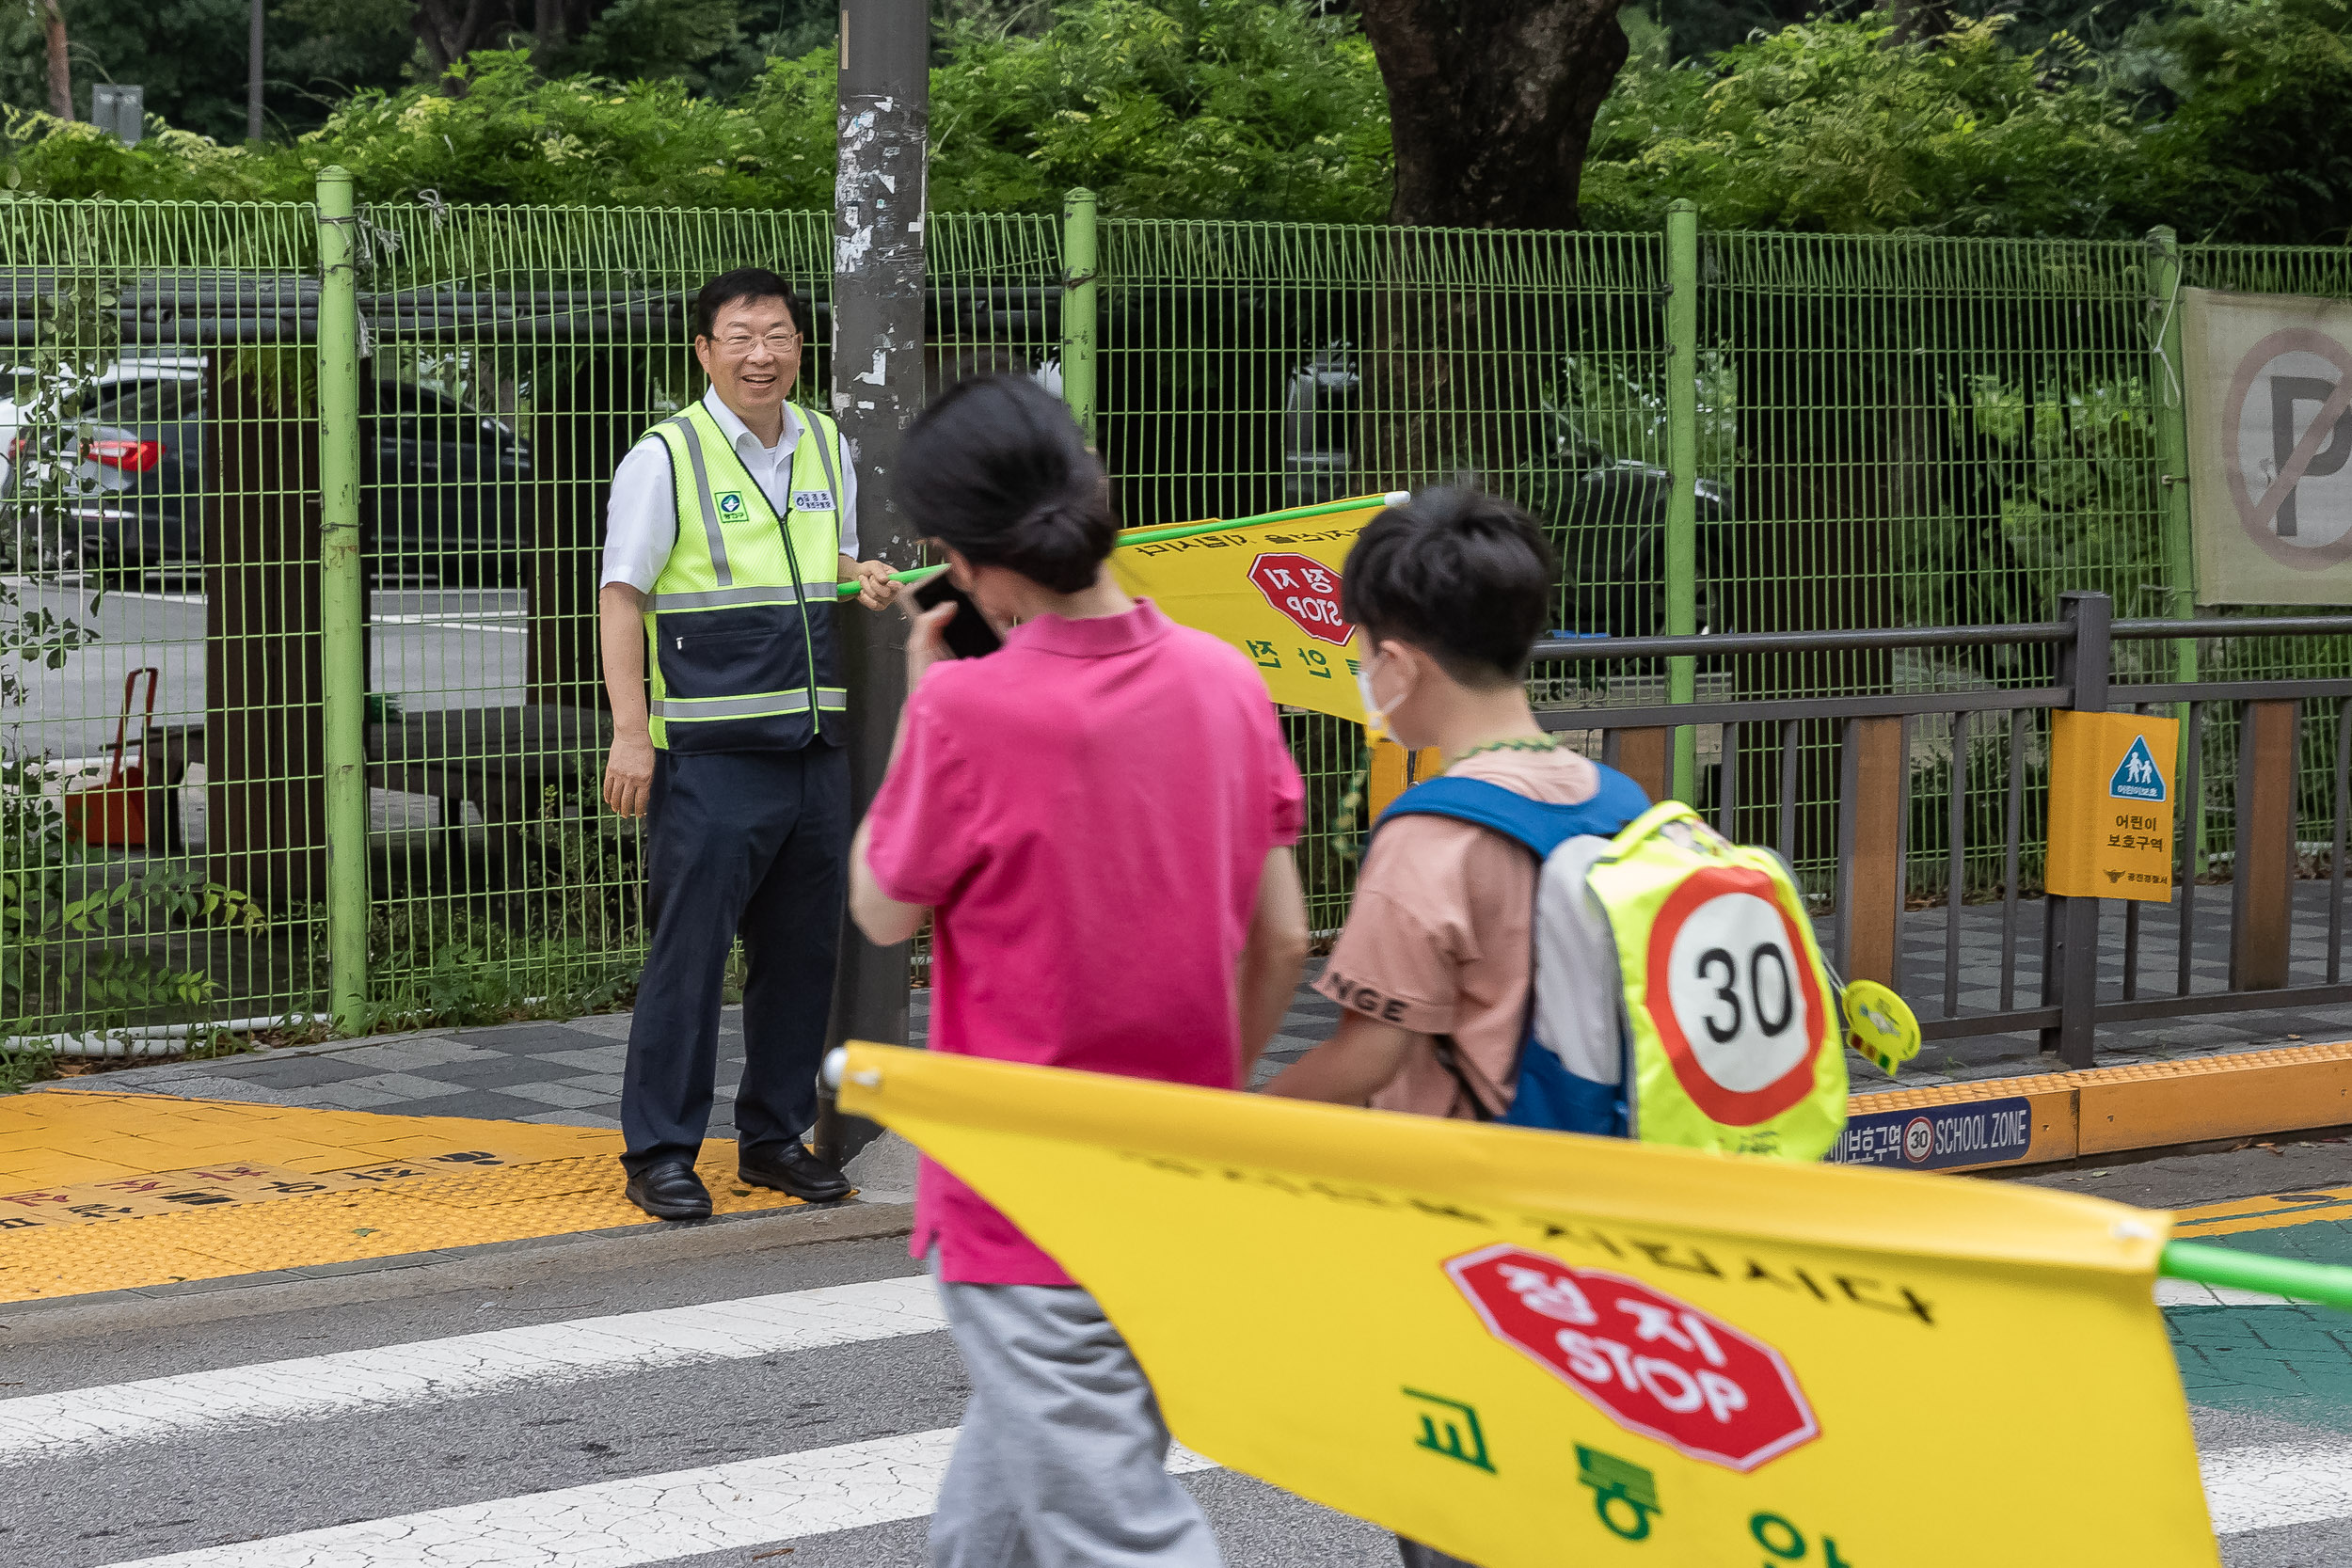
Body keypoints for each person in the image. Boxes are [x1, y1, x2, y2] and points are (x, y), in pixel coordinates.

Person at [848, 374, 1311, 1568]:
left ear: (968, 561)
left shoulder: (969, 712)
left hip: (1024, 1198)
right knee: (989, 1527)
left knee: (1123, 1534)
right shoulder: (1225, 680)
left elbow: (883, 904)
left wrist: (921, 698)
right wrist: (1205, 1089)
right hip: (1174, 1176)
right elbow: (1282, 938)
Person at [1263, 486, 1646, 1568]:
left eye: (1355, 649)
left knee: (1467, 1515)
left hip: (1474, 1243)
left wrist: (1220, 1128)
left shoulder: (1431, 834)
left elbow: (1367, 1053)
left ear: (1400, 660)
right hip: (1612, 1227)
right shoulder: (1615, 801)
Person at [597, 267, 904, 1222]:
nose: (760, 354)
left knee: (803, 954)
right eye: (738, 336)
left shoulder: (823, 441)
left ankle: (772, 1138)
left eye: (776, 335)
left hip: (813, 747)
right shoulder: (667, 456)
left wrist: (862, 573)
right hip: (712, 752)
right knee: (687, 958)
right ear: (704, 351)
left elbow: (830, 554)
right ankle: (659, 1151)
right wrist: (629, 732)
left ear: (800, 347)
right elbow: (622, 594)